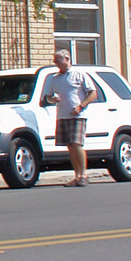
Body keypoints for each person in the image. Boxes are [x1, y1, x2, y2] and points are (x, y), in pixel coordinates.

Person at [43, 48, 99, 186]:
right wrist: (52, 99)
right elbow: (48, 97)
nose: (56, 63)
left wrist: (81, 106)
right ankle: (77, 175)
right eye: (55, 61)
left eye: (58, 60)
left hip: (78, 115)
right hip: (62, 115)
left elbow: (92, 93)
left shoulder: (79, 74)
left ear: (67, 59)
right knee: (69, 146)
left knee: (76, 143)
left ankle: (83, 174)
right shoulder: (55, 79)